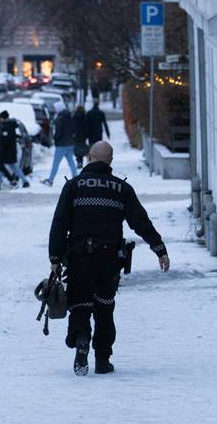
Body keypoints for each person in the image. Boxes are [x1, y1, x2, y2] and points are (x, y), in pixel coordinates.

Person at [48, 141, 169, 376]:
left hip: (79, 257)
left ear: (90, 157)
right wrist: (159, 248)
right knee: (104, 308)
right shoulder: (121, 189)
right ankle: (102, 359)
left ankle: (82, 338)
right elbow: (140, 222)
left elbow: (60, 224)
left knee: (80, 305)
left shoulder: (73, 186)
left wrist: (54, 257)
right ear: (110, 162)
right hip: (109, 259)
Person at [41, 104, 78, 186]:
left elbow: (58, 132)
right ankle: (76, 179)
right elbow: (74, 129)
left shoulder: (59, 119)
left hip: (61, 145)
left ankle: (50, 180)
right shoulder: (70, 117)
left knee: (55, 163)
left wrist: (54, 138)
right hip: (70, 143)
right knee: (71, 162)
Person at [0, 111, 30, 188]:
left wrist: (0, 147)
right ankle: (24, 181)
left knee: (0, 167)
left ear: (3, 118)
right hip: (11, 150)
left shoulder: (7, 127)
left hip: (7, 151)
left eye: (0, 118)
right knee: (12, 167)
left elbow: (5, 140)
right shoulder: (11, 126)